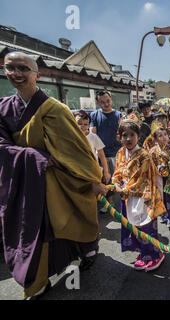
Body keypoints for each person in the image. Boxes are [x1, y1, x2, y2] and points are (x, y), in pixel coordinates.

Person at [0, 52, 107, 299]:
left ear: (37, 74)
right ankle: (37, 281)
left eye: (22, 68)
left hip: (59, 181)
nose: (16, 73)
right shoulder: (3, 109)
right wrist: (36, 157)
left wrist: (93, 179)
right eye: (10, 68)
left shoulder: (55, 109)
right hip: (26, 183)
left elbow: (77, 150)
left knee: (75, 216)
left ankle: (88, 250)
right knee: (34, 232)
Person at [112, 119, 166, 271]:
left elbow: (141, 179)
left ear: (138, 136)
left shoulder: (144, 155)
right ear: (119, 137)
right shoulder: (120, 153)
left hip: (143, 197)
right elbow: (117, 172)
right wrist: (115, 182)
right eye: (124, 135)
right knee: (132, 227)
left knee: (146, 227)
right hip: (127, 195)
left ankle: (155, 255)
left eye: (131, 135)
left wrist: (123, 189)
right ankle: (144, 253)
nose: (128, 139)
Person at [90, 90, 122, 207]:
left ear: (111, 100)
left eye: (108, 101)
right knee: (104, 181)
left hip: (116, 154)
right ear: (98, 103)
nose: (106, 104)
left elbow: (121, 133)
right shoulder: (94, 115)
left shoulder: (118, 115)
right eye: (102, 102)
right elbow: (92, 134)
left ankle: (118, 204)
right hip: (100, 154)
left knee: (117, 180)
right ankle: (107, 204)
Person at [148, 124, 170, 230]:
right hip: (161, 178)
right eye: (160, 136)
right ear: (155, 139)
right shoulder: (153, 151)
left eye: (165, 135)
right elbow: (150, 165)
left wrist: (168, 157)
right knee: (166, 199)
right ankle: (169, 218)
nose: (163, 137)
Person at [74, 110, 111, 185]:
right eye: (79, 123)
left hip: (93, 173)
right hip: (77, 174)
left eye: (86, 124)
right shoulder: (71, 137)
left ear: (89, 125)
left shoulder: (93, 137)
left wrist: (106, 172)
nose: (82, 126)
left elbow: (101, 155)